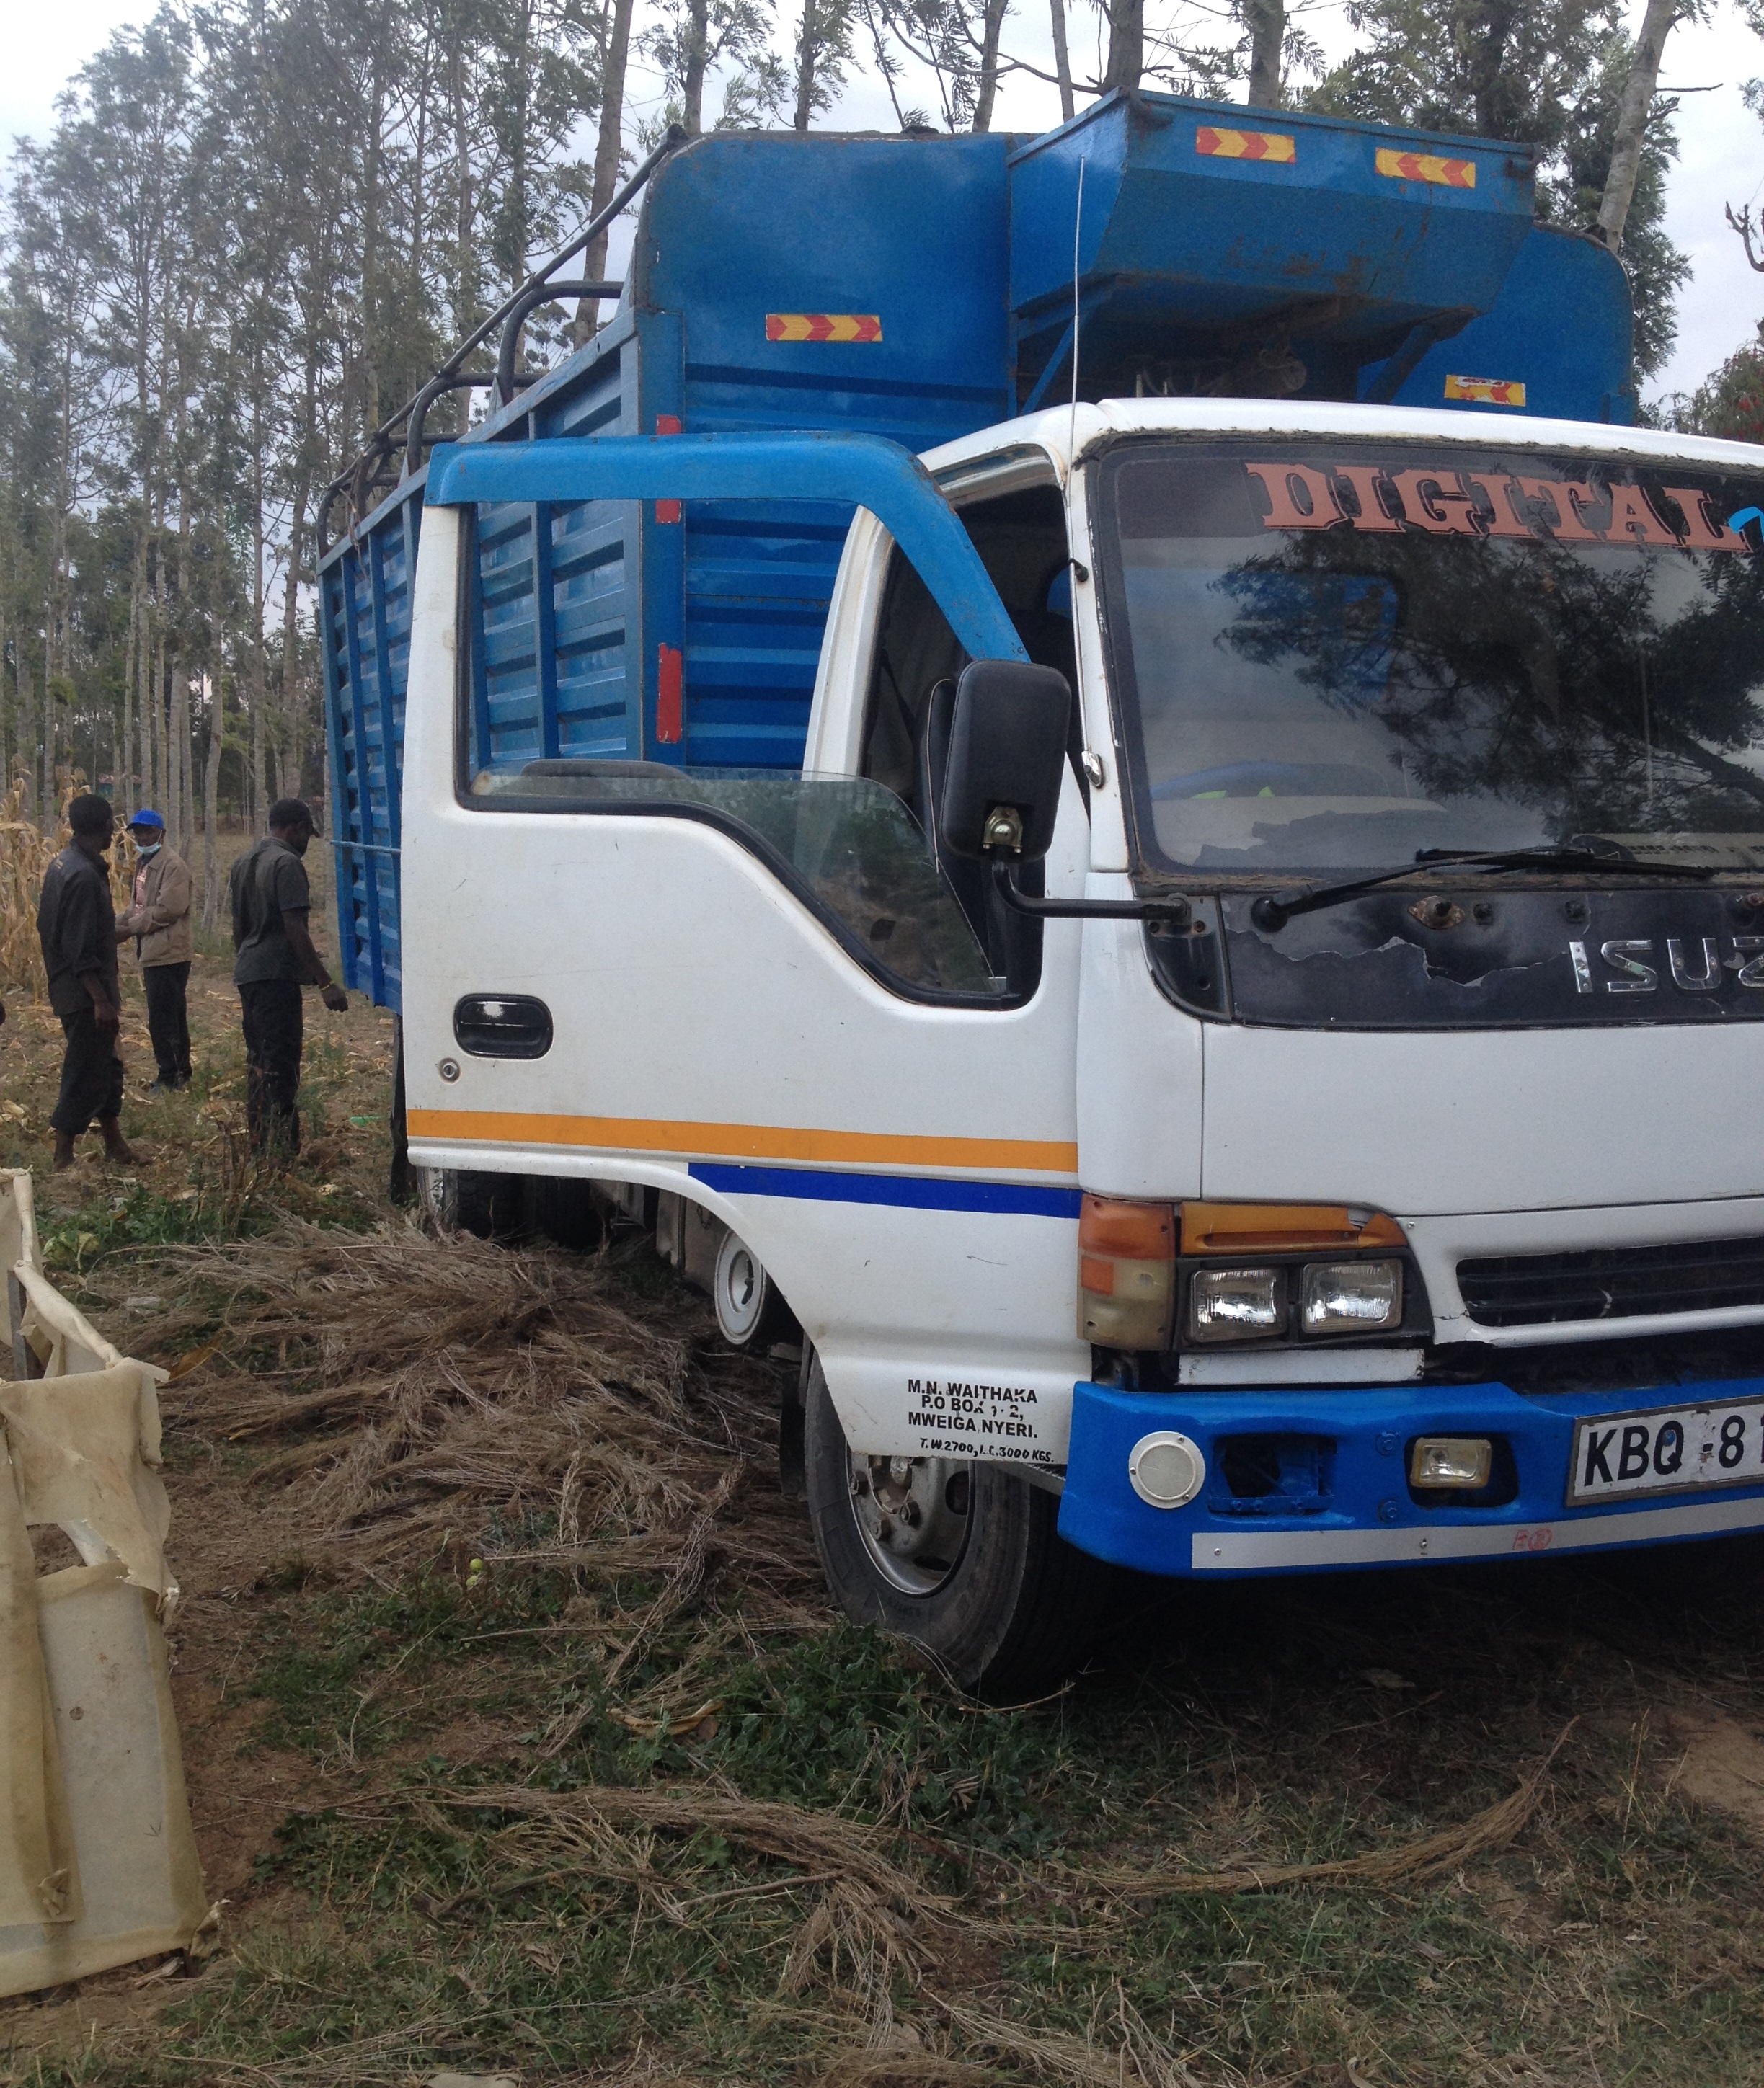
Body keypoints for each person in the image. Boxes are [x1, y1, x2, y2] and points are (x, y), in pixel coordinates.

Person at [229, 798, 349, 1157]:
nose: (307, 843)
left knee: (258, 1060)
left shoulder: (243, 862)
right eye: (307, 835)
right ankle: (280, 1150)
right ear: (295, 828)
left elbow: (239, 928)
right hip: (275, 979)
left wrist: (246, 963)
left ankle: (260, 1142)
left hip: (248, 974)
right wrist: (326, 983)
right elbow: (295, 928)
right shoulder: (287, 864)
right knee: (280, 1063)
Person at [37, 794, 137, 1171]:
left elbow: (55, 928)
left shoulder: (64, 864)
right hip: (84, 994)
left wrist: (112, 934)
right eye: (111, 824)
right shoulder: (80, 876)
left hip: (73, 987)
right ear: (103, 826)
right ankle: (63, 1156)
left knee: (106, 1065)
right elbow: (79, 949)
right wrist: (101, 1001)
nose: (114, 831)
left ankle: (115, 1144)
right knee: (85, 1070)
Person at [116, 808, 193, 1093]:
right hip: (153, 950)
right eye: (138, 831)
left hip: (169, 951)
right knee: (170, 1014)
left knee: (164, 1018)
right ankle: (180, 1071)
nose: (143, 837)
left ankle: (170, 1075)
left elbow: (167, 910)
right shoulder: (144, 863)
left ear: (162, 833)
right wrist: (113, 925)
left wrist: (129, 929)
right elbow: (137, 906)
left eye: (149, 831)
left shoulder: (173, 865)